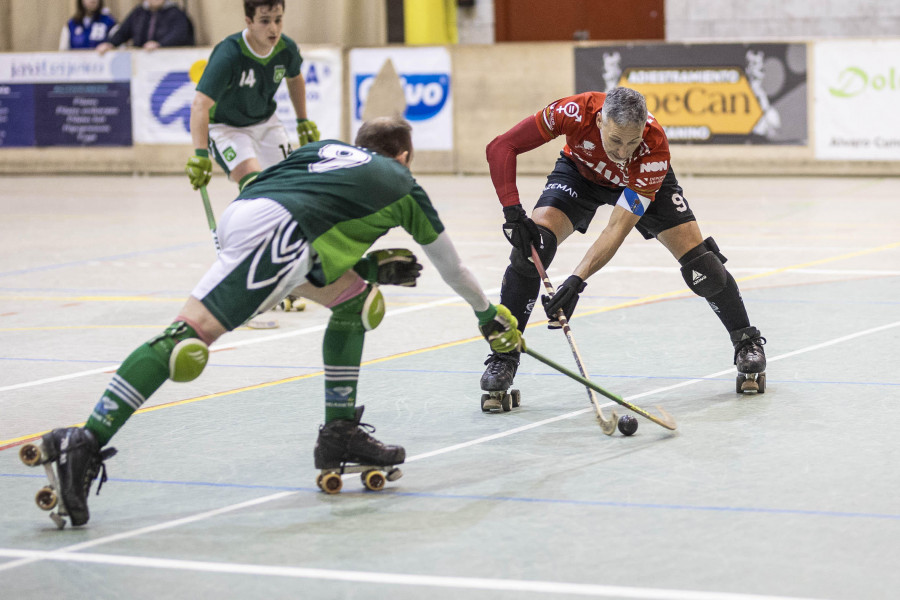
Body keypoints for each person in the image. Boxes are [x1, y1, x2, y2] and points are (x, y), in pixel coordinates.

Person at [24, 117, 523, 527]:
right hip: (281, 237)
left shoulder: (326, 149)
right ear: (406, 156)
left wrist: (367, 269)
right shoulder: (404, 186)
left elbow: (295, 206)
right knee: (187, 343)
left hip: (250, 218)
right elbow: (451, 266)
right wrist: (487, 315)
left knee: (357, 301)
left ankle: (339, 433)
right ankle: (83, 440)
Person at [480, 87, 767, 399]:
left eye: (632, 142)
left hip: (637, 182)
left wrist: (577, 281)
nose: (622, 151)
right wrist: (513, 213)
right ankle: (503, 356)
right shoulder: (573, 112)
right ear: (600, 120)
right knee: (531, 249)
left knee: (704, 267)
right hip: (581, 174)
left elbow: (616, 228)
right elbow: (501, 146)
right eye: (615, 140)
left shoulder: (653, 150)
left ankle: (746, 341)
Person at [184, 0, 319, 193]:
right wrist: (200, 154)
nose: (273, 28)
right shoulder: (229, 54)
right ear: (249, 21)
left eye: (278, 20)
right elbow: (199, 104)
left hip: (266, 122)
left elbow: (295, 79)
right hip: (227, 127)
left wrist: (302, 119)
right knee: (255, 185)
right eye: (264, 21)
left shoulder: (286, 49)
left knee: (291, 184)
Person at [95, 0, 194, 54]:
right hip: (141, 61)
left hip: (167, 59)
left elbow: (180, 35)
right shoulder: (139, 12)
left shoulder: (176, 13)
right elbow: (123, 31)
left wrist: (160, 44)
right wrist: (110, 44)